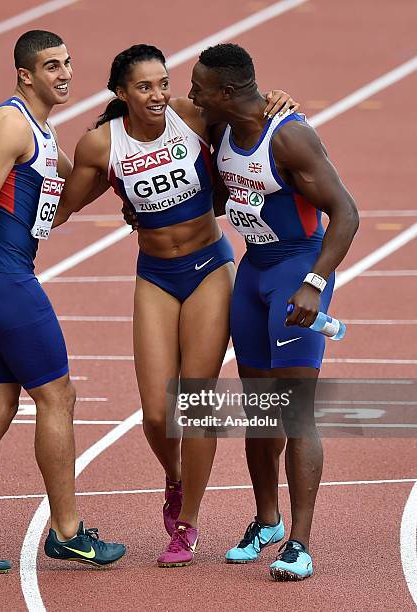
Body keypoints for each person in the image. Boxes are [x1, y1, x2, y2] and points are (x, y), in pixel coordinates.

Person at [52, 44, 297, 567]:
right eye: (145, 87)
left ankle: (186, 525)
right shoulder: (101, 145)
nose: (159, 94)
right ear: (121, 93)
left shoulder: (192, 116)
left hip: (211, 267)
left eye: (163, 82)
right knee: (158, 414)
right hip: (156, 275)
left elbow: (246, 106)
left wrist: (277, 98)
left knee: (196, 402)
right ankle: (176, 478)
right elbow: (62, 205)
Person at [0, 30, 126, 574]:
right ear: (25, 75)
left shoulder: (38, 129)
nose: (63, 74)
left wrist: (128, 159)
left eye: (67, 63)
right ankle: (66, 532)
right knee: (58, 397)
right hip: (3, 283)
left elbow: (75, 180)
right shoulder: (11, 124)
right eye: (50, 66)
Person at [188, 43, 359, 580]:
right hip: (254, 271)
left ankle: (299, 544)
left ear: (226, 92)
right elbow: (226, 196)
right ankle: (265, 520)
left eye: (199, 88)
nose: (191, 96)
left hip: (296, 270)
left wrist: (314, 283)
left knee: (294, 409)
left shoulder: (289, 135)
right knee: (261, 407)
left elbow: (347, 214)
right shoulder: (219, 129)